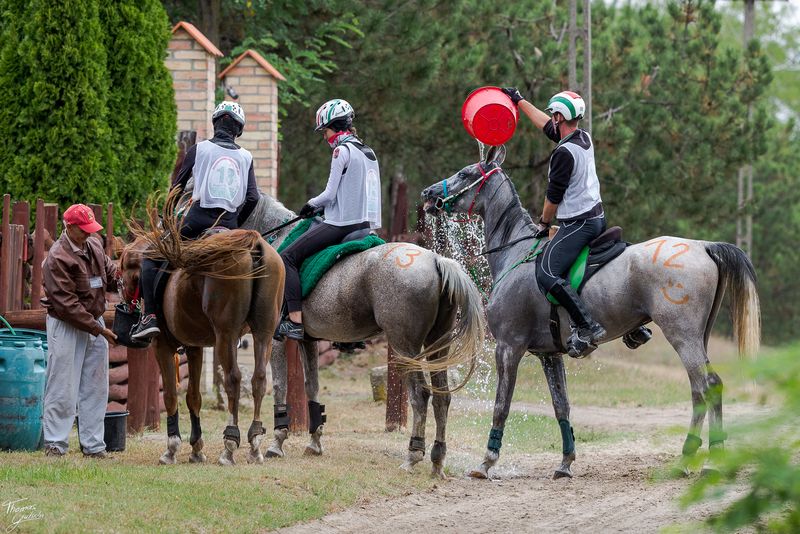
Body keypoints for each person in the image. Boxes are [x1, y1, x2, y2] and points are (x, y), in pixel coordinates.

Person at [131, 101, 260, 342]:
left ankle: (149, 317)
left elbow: (177, 187)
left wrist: (168, 218)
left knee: (152, 258)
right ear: (238, 130)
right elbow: (253, 197)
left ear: (215, 124)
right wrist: (235, 223)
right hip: (229, 225)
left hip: (197, 220)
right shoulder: (246, 156)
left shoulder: (199, 149)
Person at [502, 87, 606, 357]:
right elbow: (546, 126)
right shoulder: (583, 137)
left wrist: (543, 223)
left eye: (554, 115)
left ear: (560, 117)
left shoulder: (563, 154)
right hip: (596, 217)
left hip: (579, 224)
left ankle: (587, 325)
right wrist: (518, 100)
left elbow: (552, 198)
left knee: (547, 274)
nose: (552, 119)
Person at [274, 99, 381, 340]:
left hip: (340, 224)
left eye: (325, 131)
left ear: (334, 127)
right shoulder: (368, 152)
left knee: (287, 257)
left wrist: (311, 204)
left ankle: (294, 322)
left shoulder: (340, 151)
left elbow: (329, 193)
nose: (325, 137)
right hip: (365, 225)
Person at [41, 204, 119, 458]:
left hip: (95, 323)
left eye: (91, 229)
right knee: (62, 384)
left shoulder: (93, 245)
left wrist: (125, 281)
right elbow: (67, 305)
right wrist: (99, 329)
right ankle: (55, 443)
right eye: (83, 230)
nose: (88, 234)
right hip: (66, 325)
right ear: (69, 227)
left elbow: (109, 271)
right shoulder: (56, 258)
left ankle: (94, 445)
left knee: (96, 385)